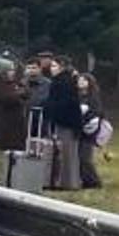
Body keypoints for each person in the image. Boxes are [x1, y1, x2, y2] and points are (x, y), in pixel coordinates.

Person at [44, 56, 83, 191]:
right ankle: (64, 181)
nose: (51, 69)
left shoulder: (64, 82)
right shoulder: (63, 81)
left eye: (54, 66)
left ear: (62, 67)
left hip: (66, 122)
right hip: (65, 121)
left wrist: (51, 110)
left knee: (66, 152)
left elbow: (65, 103)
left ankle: (67, 182)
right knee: (65, 152)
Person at [0, 57, 29, 180]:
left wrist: (20, 90)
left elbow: (26, 93)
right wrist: (19, 93)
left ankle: (14, 177)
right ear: (2, 72)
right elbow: (10, 98)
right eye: (10, 70)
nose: (13, 72)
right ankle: (1, 178)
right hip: (4, 126)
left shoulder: (12, 84)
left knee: (16, 152)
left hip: (16, 126)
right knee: (2, 154)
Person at [78, 72, 104, 189]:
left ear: (89, 83)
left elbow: (96, 113)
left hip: (89, 131)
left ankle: (95, 182)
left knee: (85, 158)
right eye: (79, 80)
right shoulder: (78, 96)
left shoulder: (93, 97)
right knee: (79, 157)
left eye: (84, 80)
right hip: (78, 130)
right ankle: (85, 180)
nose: (81, 82)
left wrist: (85, 117)